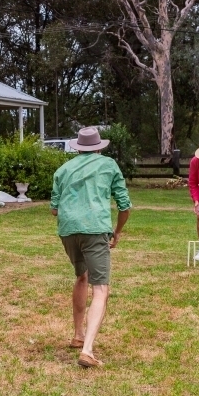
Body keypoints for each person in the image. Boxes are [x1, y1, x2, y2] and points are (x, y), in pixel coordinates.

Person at [50, 127, 132, 368]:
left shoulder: (63, 169)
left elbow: (54, 208)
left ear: (78, 147)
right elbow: (124, 205)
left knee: (81, 276)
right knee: (101, 289)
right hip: (95, 228)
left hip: (68, 230)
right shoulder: (108, 165)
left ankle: (78, 335)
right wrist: (117, 232)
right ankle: (87, 350)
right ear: (99, 146)